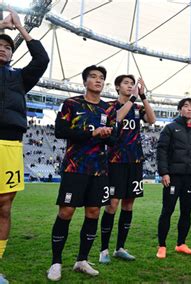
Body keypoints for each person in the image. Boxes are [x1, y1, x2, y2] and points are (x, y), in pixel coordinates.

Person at [47, 65, 116, 281]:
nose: (98, 80)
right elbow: (60, 131)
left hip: (99, 169)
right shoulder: (71, 103)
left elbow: (114, 140)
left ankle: (82, 260)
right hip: (74, 167)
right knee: (66, 212)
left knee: (93, 212)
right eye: (93, 77)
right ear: (85, 81)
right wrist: (91, 132)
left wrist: (105, 135)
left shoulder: (108, 109)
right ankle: (56, 263)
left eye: (101, 78)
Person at [0, 9, 49, 283]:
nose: (3, 49)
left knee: (4, 207)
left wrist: (20, 28)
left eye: (7, 47)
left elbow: (41, 58)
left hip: (9, 145)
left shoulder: (20, 78)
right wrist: (1, 24)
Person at [99, 75, 156, 264]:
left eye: (132, 84)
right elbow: (115, 119)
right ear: (117, 87)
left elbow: (152, 120)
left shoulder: (138, 108)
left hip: (135, 160)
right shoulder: (110, 106)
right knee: (112, 204)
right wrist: (132, 98)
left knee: (129, 204)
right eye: (126, 83)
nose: (130, 86)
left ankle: (120, 248)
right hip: (115, 161)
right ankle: (104, 250)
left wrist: (143, 96)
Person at [156, 98, 191, 258]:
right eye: (186, 106)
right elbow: (161, 151)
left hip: (190, 176)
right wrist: (164, 172)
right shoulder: (170, 128)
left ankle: (181, 244)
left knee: (186, 211)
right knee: (167, 210)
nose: (189, 109)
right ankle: (162, 246)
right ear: (180, 109)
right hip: (173, 177)